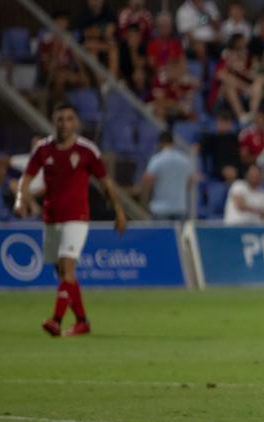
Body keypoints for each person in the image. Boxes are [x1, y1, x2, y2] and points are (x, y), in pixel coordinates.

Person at [18, 102, 127, 338]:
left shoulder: (87, 150)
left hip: (77, 217)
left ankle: (56, 320)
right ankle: (82, 321)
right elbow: (25, 179)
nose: (64, 123)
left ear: (76, 123)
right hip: (51, 217)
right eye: (60, 119)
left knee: (67, 266)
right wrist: (23, 200)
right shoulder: (43, 149)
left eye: (69, 119)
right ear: (53, 121)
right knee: (63, 273)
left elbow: (105, 183)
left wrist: (118, 211)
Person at [141, 131, 195, 219]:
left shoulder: (157, 160)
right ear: (173, 142)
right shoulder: (185, 160)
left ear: (160, 143)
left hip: (160, 208)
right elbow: (191, 181)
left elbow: (148, 180)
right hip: (180, 207)